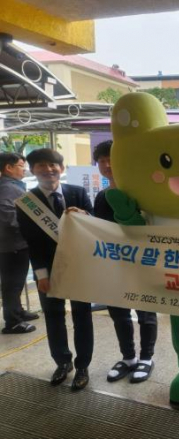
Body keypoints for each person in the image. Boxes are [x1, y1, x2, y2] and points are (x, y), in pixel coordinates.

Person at [16, 148, 94, 391]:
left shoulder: (77, 192)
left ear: (61, 168)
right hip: (48, 269)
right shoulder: (27, 202)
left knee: (82, 315)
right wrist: (41, 274)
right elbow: (32, 241)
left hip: (79, 266)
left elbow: (94, 225)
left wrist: (84, 215)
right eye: (41, 165)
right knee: (53, 316)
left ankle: (83, 366)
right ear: (32, 170)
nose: (48, 170)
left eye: (53, 165)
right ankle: (62, 362)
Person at [92, 140, 158, 383]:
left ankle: (147, 358)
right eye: (101, 161)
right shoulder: (101, 197)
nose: (107, 164)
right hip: (113, 264)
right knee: (118, 313)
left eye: (111, 159)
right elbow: (97, 229)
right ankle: (128, 357)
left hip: (142, 264)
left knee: (145, 312)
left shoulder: (142, 195)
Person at [0, 152, 38, 334]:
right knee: (12, 284)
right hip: (12, 245)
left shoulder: (11, 186)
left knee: (17, 281)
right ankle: (13, 322)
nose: (24, 170)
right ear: (8, 168)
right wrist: (28, 229)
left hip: (15, 244)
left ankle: (18, 311)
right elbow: (7, 217)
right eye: (21, 166)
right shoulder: (8, 188)